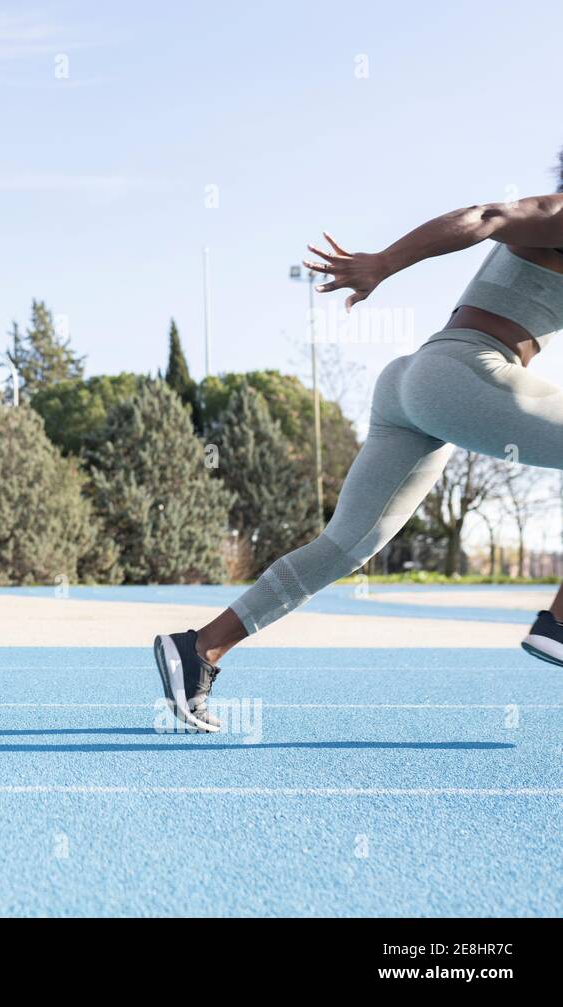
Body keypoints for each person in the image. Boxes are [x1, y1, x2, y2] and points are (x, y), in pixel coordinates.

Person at [154, 187, 563, 732]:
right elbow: (486, 215)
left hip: (417, 383)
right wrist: (383, 264)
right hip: (462, 373)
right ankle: (557, 624)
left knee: (346, 545)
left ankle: (199, 649)